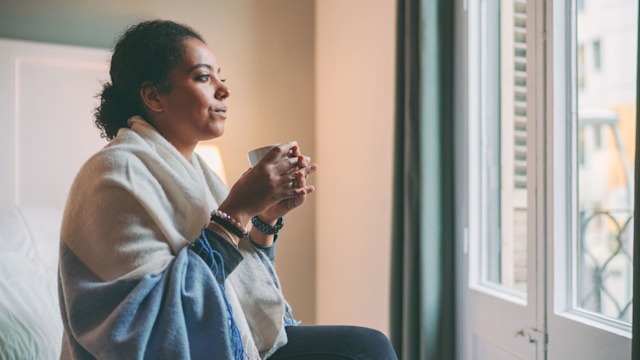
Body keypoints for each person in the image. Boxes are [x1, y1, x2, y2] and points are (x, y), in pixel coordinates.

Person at [58, 19, 397, 360]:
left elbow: (229, 286)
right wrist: (237, 211)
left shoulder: (194, 173)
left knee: (366, 346)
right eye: (204, 77)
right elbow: (147, 325)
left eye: (222, 76)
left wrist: (264, 220)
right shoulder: (115, 174)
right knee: (364, 349)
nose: (224, 89)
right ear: (154, 96)